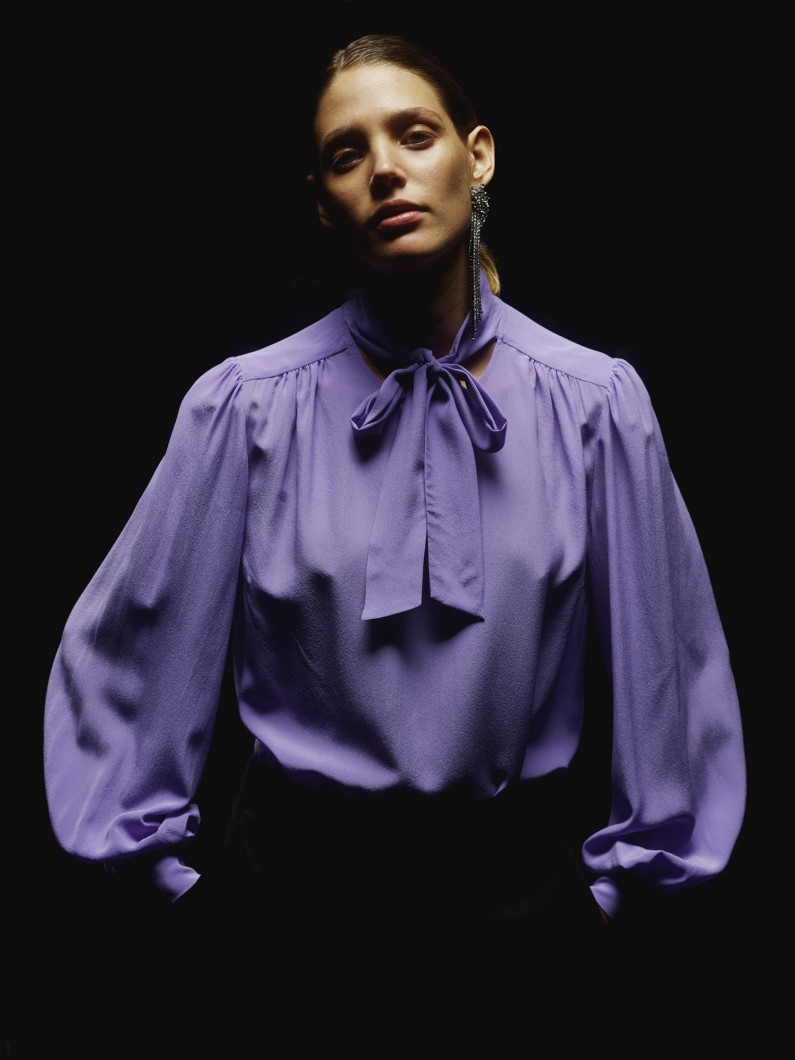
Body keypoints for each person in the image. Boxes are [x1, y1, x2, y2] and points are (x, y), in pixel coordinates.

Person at [43, 32, 746, 1058]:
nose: (383, 169)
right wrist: (177, 891)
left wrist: (612, 900)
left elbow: (671, 668)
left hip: (521, 926)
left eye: (414, 135)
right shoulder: (245, 407)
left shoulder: (596, 404)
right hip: (288, 921)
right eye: (347, 153)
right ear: (324, 202)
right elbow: (132, 653)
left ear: (478, 156)